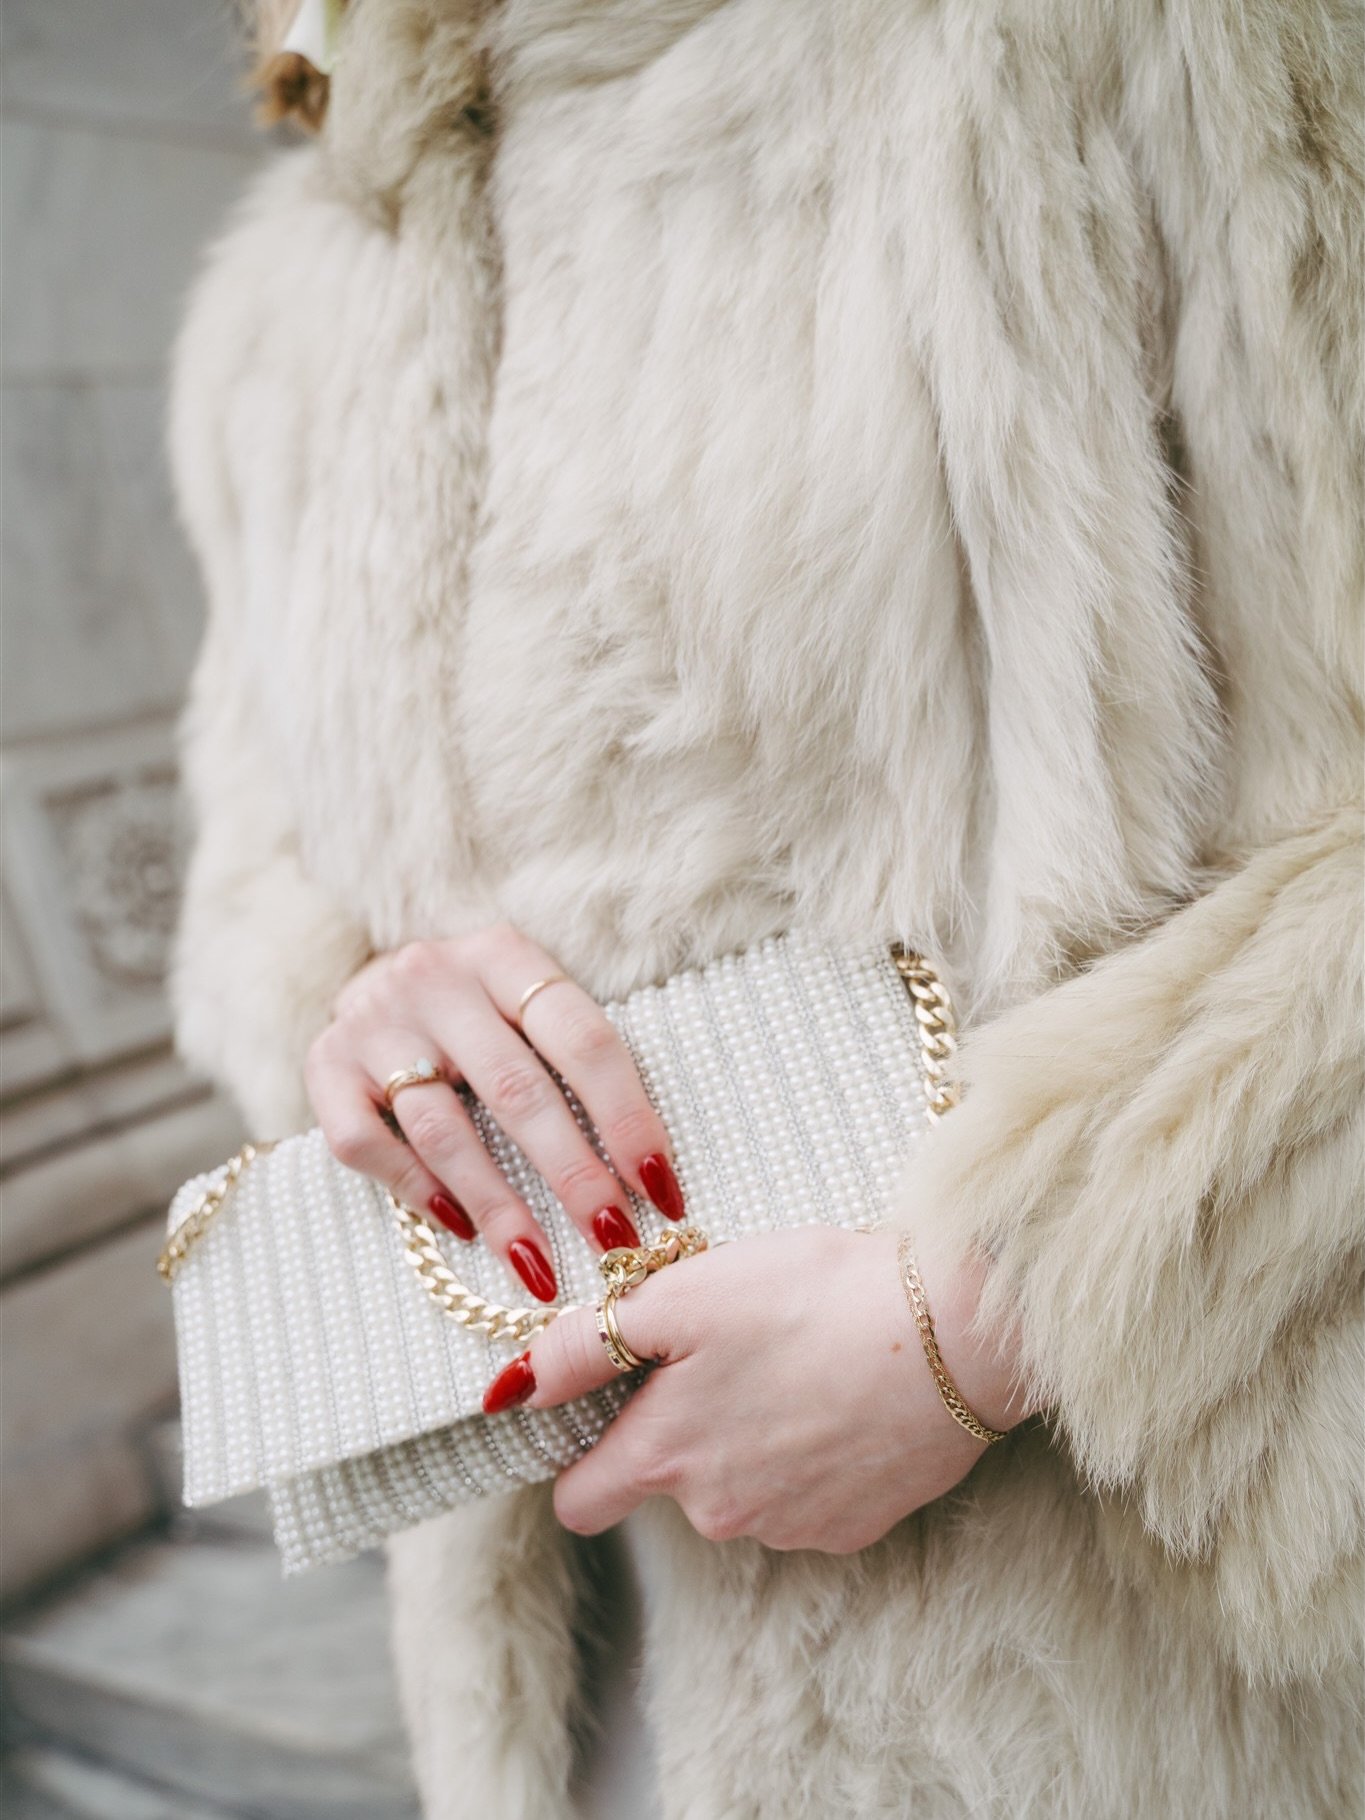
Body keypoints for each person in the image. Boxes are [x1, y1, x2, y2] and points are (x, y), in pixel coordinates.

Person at [167, 2, 1363, 1815]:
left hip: (1104, 1670)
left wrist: (996, 1311)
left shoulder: (1134, 42)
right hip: (582, 1680)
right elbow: (246, 875)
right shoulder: (280, 308)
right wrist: (356, 1011)